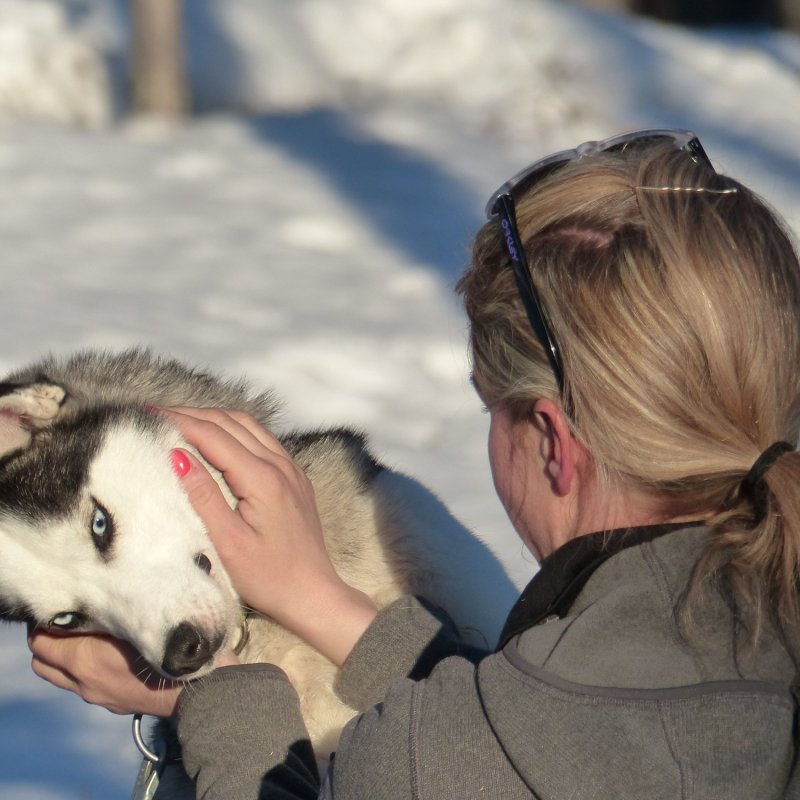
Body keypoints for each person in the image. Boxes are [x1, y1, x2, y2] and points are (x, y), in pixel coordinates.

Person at [28, 130, 800, 799]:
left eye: (488, 407)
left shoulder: (415, 771)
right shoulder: (754, 653)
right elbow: (535, 739)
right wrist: (317, 599)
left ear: (555, 445)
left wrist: (220, 701)